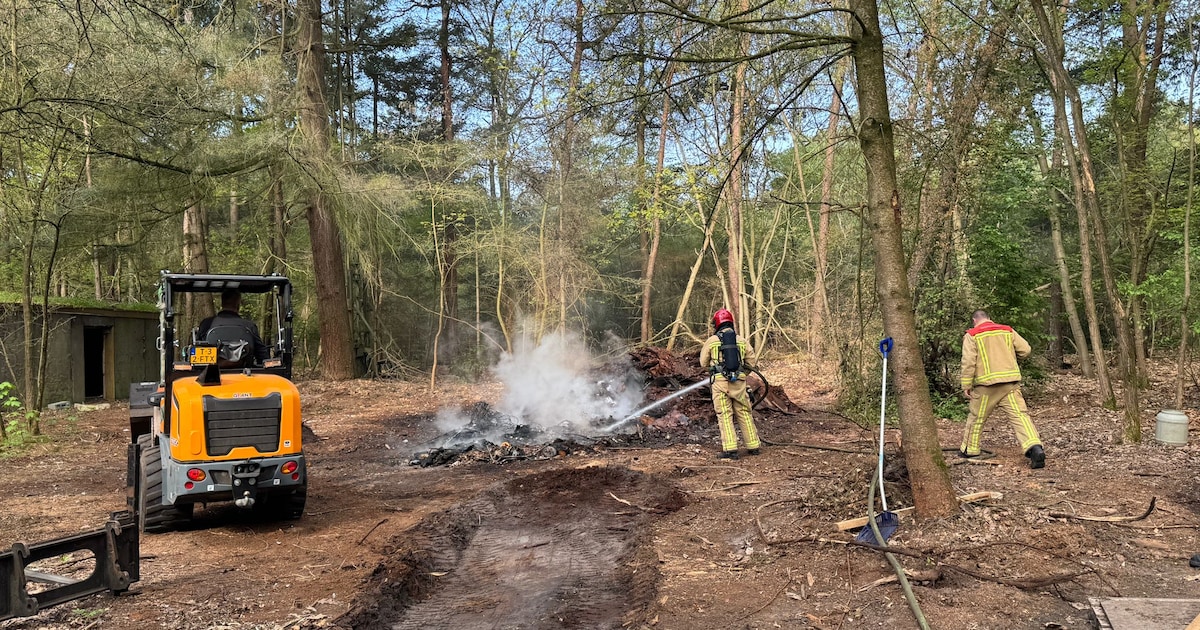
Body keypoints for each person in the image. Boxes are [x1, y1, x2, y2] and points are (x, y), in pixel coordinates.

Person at [959, 310, 1045, 469]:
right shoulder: (1007, 330)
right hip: (1010, 384)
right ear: (989, 318)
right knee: (1020, 416)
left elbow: (968, 362)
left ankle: (969, 450)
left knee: (977, 418)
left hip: (986, 386)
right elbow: (1025, 350)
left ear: (974, 320)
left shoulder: (972, 335)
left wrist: (966, 385)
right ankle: (1034, 447)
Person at [700, 308, 761, 460]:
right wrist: (741, 375)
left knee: (725, 415)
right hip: (739, 383)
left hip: (720, 384)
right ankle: (753, 446)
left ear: (716, 324)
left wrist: (716, 370)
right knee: (744, 413)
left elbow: (703, 363)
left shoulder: (712, 341)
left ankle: (730, 449)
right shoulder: (741, 340)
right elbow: (751, 362)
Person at [196, 289, 270, 365]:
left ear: (222, 303)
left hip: (213, 373)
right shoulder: (249, 326)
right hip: (245, 373)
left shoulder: (207, 324)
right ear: (238, 304)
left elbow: (197, 350)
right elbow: (262, 355)